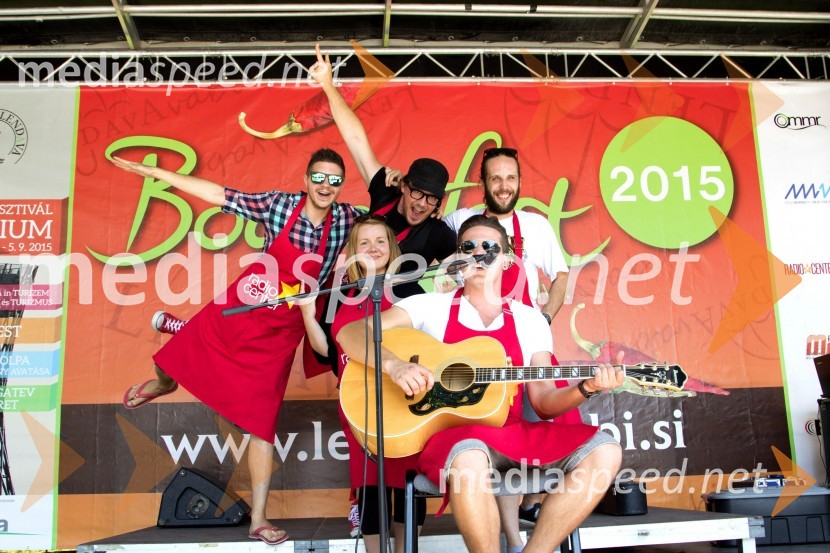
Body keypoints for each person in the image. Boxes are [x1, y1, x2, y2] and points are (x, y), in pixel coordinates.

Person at [114, 148, 364, 545]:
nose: (325, 186)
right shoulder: (278, 206)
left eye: (335, 180)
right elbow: (217, 194)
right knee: (178, 356)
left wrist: (406, 190)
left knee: (261, 424)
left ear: (341, 185)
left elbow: (389, 222)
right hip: (245, 305)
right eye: (319, 177)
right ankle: (164, 383)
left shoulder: (350, 219)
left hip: (282, 333)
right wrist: (154, 171)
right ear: (306, 178)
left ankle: (259, 519)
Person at [337, 215, 624, 553]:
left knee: (605, 450)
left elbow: (544, 402)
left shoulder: (530, 320)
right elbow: (351, 333)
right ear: (458, 258)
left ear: (506, 260)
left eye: (490, 248)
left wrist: (585, 388)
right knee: (469, 456)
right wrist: (395, 365)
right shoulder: (430, 306)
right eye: (468, 247)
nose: (479, 253)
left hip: (511, 431)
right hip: (451, 438)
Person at [444, 147, 573, 549]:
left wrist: (546, 315)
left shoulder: (536, 225)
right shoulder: (459, 222)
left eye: (510, 178)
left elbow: (562, 275)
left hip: (525, 342)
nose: (503, 185)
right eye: (495, 178)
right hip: (477, 346)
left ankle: (531, 507)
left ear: (519, 181)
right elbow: (441, 269)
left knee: (545, 426)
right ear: (482, 183)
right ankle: (513, 536)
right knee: (495, 436)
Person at [299, 215, 425, 552]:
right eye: (364, 242)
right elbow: (327, 351)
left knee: (407, 484)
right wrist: (308, 314)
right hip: (357, 403)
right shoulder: (339, 294)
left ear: (392, 247)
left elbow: (431, 344)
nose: (373, 248)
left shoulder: (412, 289)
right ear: (353, 250)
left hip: (407, 402)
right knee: (371, 487)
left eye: (380, 241)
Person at [309, 44, 457, 299]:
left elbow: (464, 269)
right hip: (353, 299)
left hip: (397, 320)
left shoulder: (439, 232)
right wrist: (328, 85)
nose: (422, 204)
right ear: (403, 186)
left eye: (431, 198)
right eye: (417, 193)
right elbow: (355, 138)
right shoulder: (385, 191)